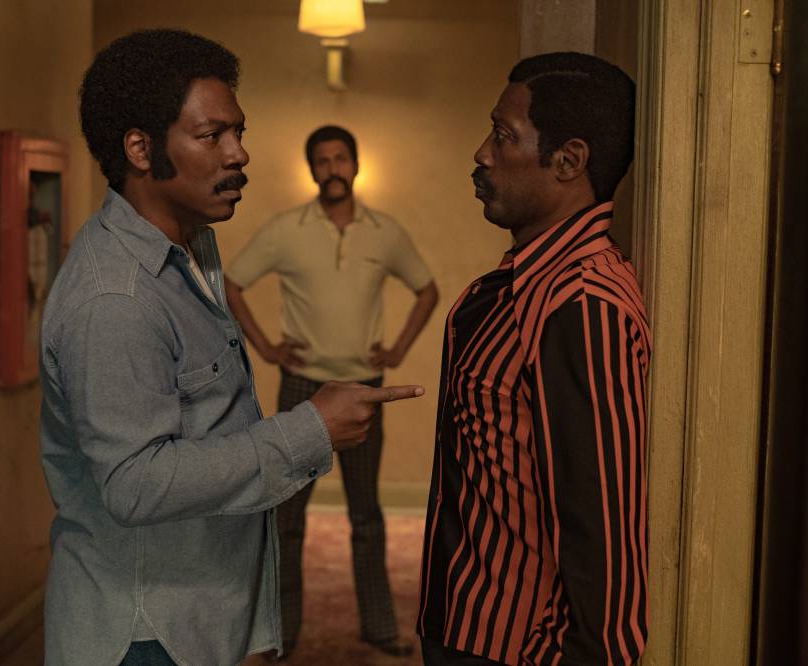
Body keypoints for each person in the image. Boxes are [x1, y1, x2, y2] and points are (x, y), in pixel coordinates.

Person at [39, 30, 423, 666]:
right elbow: (135, 484)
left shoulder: (191, 248)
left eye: (238, 132)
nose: (239, 153)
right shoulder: (115, 299)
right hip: (145, 635)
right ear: (140, 149)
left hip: (195, 621)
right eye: (211, 135)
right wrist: (309, 428)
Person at [417, 52, 651, 665]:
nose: (482, 153)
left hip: (513, 646)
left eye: (503, 135)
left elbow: (603, 531)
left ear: (568, 161)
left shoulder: (581, 305)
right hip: (469, 622)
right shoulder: (528, 283)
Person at [225, 125, 438, 658]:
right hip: (303, 387)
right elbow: (231, 283)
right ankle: (281, 634)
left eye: (341, 158)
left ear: (356, 165)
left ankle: (379, 627)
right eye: (322, 161)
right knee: (289, 517)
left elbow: (427, 290)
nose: (332, 168)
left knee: (366, 513)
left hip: (365, 388)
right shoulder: (286, 230)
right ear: (312, 170)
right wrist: (267, 348)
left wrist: (397, 350)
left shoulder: (384, 232)